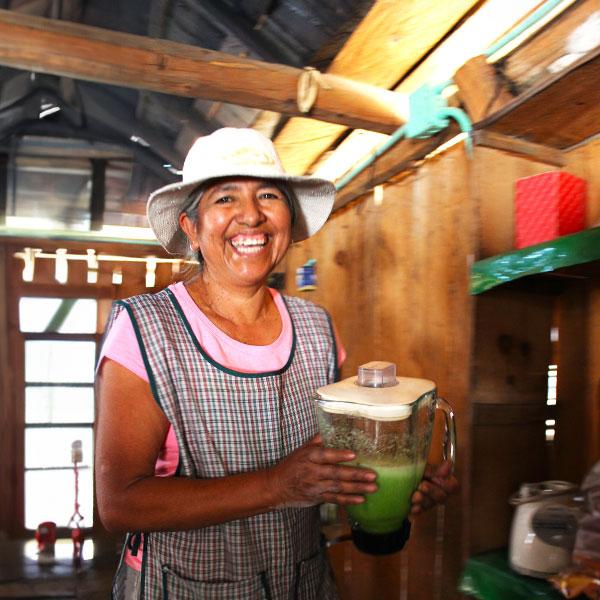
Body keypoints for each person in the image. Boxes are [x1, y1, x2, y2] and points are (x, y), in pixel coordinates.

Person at [95, 127, 458, 600]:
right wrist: (279, 485)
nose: (251, 215)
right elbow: (120, 504)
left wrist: (386, 491)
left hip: (304, 583)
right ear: (191, 228)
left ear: (288, 218)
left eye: (268, 195)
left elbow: (326, 467)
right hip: (185, 588)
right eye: (225, 198)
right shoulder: (145, 329)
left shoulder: (316, 328)